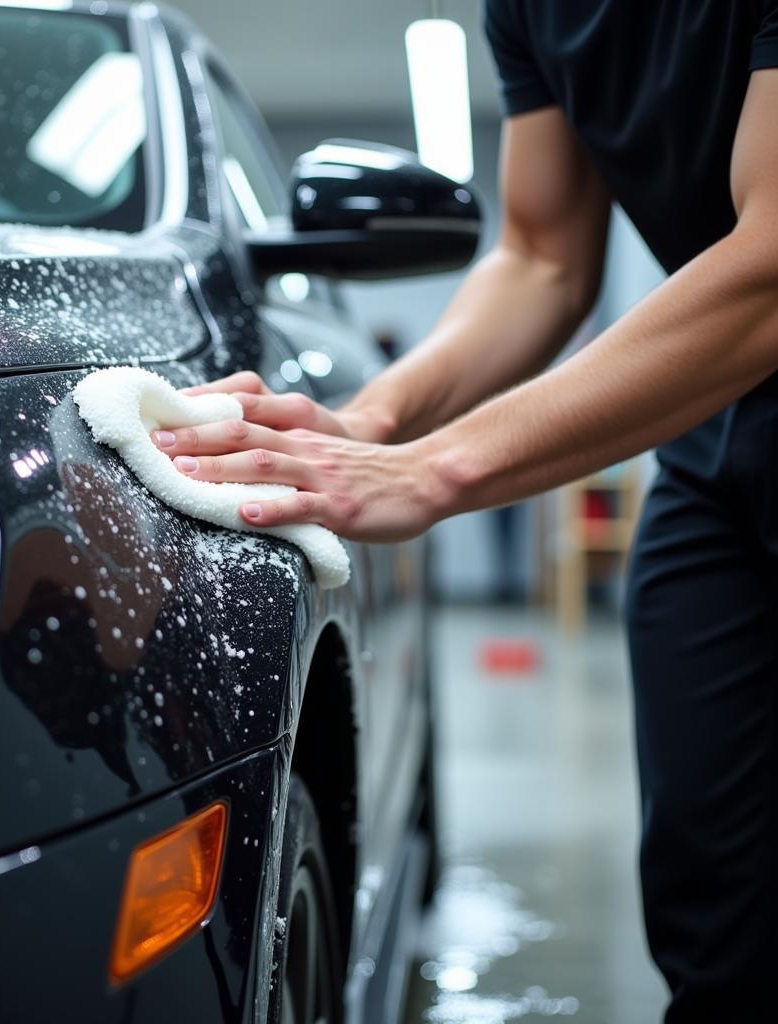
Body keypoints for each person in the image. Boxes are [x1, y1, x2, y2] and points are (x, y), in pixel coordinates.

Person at [150, 3, 778, 1020]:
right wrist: (373, 421)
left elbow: (770, 262)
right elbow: (541, 255)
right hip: (717, 453)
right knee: (717, 908)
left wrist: (436, 470)